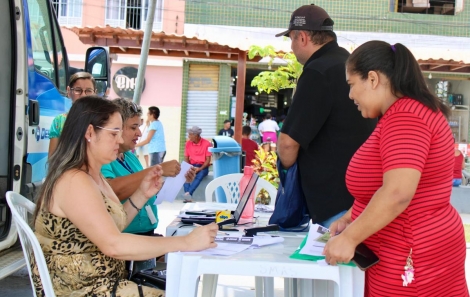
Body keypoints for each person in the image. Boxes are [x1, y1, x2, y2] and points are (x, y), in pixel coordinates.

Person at [323, 41, 469, 296]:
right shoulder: (404, 113)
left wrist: (350, 237)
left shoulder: (406, 117)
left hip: (412, 256)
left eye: (351, 85)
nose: (350, 96)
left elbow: (397, 193)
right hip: (409, 250)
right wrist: (351, 215)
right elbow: (382, 185)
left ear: (372, 79)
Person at [32, 96, 218, 296]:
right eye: (114, 133)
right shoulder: (74, 180)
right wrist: (186, 242)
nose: (120, 140)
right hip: (81, 289)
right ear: (89, 133)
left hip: (104, 282)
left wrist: (141, 195)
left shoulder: (93, 175)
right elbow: (113, 244)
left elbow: (113, 226)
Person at [275, 4, 376, 227]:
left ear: (302, 37)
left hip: (333, 204)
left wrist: (284, 169)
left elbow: (288, 145)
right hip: (362, 196)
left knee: (331, 260)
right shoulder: (351, 64)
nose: (291, 47)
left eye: (291, 39)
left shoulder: (317, 71)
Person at [101, 98, 196, 236]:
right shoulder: (103, 158)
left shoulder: (129, 156)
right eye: (133, 127)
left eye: (139, 126)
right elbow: (111, 191)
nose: (139, 133)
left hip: (146, 232)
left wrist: (178, 178)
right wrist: (158, 169)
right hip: (127, 237)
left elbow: (146, 187)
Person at [48, 71, 96, 157]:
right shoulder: (59, 121)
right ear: (69, 91)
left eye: (88, 91)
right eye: (78, 90)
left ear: (95, 93)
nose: (83, 95)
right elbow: (52, 158)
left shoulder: (100, 120)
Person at [183, 126, 212, 203]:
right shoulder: (188, 144)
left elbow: (208, 160)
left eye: (190, 134)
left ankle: (188, 194)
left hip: (203, 167)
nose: (188, 136)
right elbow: (186, 158)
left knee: (200, 174)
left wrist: (199, 169)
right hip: (191, 165)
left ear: (195, 136)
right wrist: (189, 167)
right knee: (185, 173)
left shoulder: (207, 144)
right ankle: (188, 195)